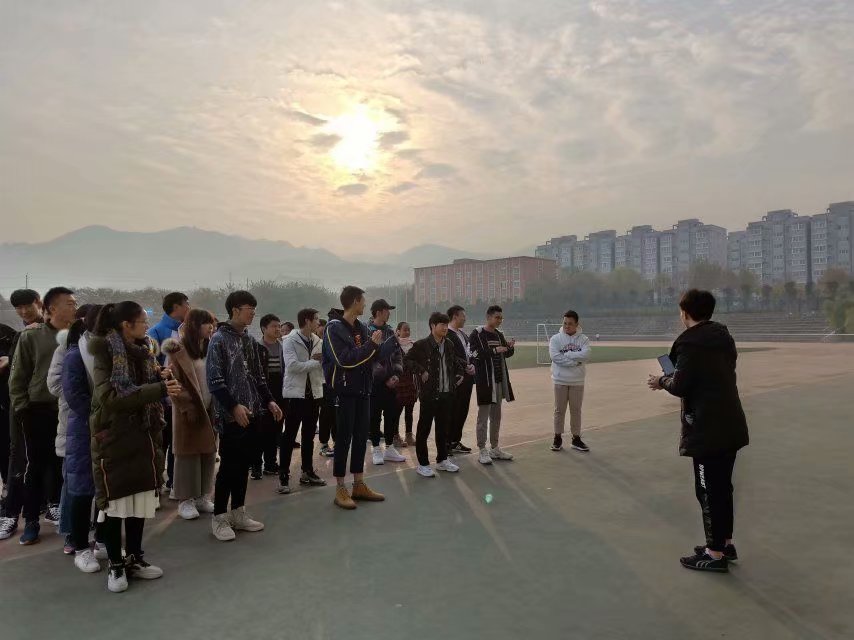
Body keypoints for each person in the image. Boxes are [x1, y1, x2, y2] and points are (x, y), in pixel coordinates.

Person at [647, 289, 749, 573]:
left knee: (707, 490)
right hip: (730, 422)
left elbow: (681, 385)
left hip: (707, 429)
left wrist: (662, 380)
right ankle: (724, 543)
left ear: (685, 313)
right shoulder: (723, 337)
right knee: (723, 487)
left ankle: (714, 554)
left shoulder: (689, 343)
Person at [89, 301, 180, 592]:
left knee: (139, 502)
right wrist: (159, 389)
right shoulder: (105, 351)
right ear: (125, 325)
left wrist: (159, 376)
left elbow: (143, 384)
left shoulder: (146, 351)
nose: (146, 326)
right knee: (115, 505)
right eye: (142, 321)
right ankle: (116, 565)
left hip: (144, 436)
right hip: (115, 439)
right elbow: (111, 398)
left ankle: (135, 558)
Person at [207, 291, 282, 541]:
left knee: (243, 465)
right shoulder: (218, 340)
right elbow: (215, 381)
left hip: (253, 414)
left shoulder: (249, 340)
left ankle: (238, 512)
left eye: (254, 308)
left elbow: (258, 376)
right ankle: (219, 517)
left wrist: (269, 400)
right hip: (231, 417)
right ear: (235, 310)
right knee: (228, 466)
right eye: (249, 308)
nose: (253, 312)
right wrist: (233, 407)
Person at [9, 286, 77, 545]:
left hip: (68, 409)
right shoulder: (32, 336)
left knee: (63, 464)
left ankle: (60, 510)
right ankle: (31, 521)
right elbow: (18, 378)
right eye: (69, 303)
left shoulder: (78, 335)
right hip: (38, 410)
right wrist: (22, 409)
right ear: (51, 308)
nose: (74, 307)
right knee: (35, 467)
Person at [321, 286, 395, 510]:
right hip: (344, 392)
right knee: (343, 439)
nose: (365, 304)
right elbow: (344, 360)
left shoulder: (361, 327)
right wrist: (372, 345)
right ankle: (340, 488)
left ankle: (359, 484)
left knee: (362, 437)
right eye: (363, 300)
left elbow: (369, 357)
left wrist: (388, 345)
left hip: (363, 390)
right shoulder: (333, 328)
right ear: (354, 301)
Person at [61, 306, 107, 573]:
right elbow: (75, 396)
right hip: (85, 430)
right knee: (82, 490)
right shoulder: (75, 354)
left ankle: (102, 540)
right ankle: (80, 547)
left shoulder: (110, 351)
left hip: (109, 429)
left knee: (106, 489)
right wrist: (100, 420)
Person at [161, 309, 218, 521]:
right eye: (206, 323)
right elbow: (172, 382)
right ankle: (185, 500)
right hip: (189, 411)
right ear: (194, 325)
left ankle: (203, 496)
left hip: (210, 408)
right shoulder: (178, 350)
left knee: (208, 453)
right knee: (187, 456)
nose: (210, 327)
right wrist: (188, 406)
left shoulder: (211, 347)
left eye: (211, 323)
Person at [47, 305, 93, 554]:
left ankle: (89, 531)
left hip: (92, 422)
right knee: (73, 482)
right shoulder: (66, 349)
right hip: (72, 422)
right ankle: (71, 534)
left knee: (89, 482)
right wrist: (77, 393)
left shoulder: (101, 348)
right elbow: (54, 384)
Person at [0, 289, 43, 541]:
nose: (24, 311)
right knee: (17, 460)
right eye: (19, 308)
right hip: (19, 407)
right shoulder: (19, 335)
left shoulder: (50, 332)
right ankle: (12, 512)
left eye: (28, 306)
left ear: (39, 303)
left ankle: (42, 510)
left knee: (40, 462)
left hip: (43, 407)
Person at [405, 312, 465, 477]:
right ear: (433, 326)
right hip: (429, 395)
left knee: (443, 429)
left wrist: (460, 373)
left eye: (446, 324)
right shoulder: (422, 345)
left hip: (447, 394)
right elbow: (407, 360)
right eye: (442, 325)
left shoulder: (449, 344)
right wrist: (421, 370)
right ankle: (423, 464)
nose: (445, 328)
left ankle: (442, 460)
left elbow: (455, 362)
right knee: (424, 429)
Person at [277, 308, 326, 494]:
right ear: (307, 321)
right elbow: (292, 366)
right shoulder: (289, 340)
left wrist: (322, 362)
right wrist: (316, 362)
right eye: (316, 319)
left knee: (308, 435)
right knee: (289, 436)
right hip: (295, 395)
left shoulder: (318, 341)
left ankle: (307, 472)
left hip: (313, 395)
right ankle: (283, 475)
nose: (318, 323)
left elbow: (323, 366)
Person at [148, 292, 191, 496]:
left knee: (178, 443)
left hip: (182, 398)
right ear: (176, 307)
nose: (189, 308)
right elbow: (151, 367)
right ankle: (155, 486)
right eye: (186, 304)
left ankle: (174, 482)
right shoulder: (156, 332)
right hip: (162, 399)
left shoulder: (187, 332)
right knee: (161, 444)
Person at [469, 305, 516, 465]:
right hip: (485, 382)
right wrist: (495, 351)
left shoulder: (499, 334)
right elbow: (474, 354)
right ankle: (482, 449)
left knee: (496, 416)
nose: (499, 320)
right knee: (483, 417)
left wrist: (509, 348)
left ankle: (494, 448)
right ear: (488, 317)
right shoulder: (477, 334)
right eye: (497, 317)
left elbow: (506, 354)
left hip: (499, 381)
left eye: (501, 318)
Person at [367, 299, 406, 465]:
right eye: (387, 310)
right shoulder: (367, 331)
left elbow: (397, 355)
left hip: (392, 383)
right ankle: (376, 449)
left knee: (391, 415)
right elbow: (369, 359)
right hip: (375, 383)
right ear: (378, 312)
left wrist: (396, 374)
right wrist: (383, 377)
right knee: (374, 417)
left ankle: (389, 448)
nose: (389, 313)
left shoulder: (390, 331)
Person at [549, 310, 591, 453]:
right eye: (565, 323)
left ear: (576, 324)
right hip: (560, 380)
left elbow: (586, 355)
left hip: (577, 381)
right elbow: (555, 357)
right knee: (559, 410)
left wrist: (568, 354)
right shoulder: (556, 339)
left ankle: (576, 438)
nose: (567, 326)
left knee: (576, 411)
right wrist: (575, 362)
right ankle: (557, 438)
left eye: (570, 324)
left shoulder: (583, 339)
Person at [254, 314, 285, 479]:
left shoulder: (283, 346)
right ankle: (256, 465)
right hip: (262, 393)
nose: (278, 329)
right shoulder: (256, 347)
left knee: (276, 429)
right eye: (274, 326)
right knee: (260, 430)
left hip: (280, 391)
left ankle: (271, 464)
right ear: (263, 328)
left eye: (279, 326)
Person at [445, 306, 476, 454]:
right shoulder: (447, 334)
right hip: (455, 379)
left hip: (467, 379)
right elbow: (450, 356)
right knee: (452, 411)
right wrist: (465, 365)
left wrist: (472, 364)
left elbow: (470, 353)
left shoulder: (463, 334)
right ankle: (446, 443)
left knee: (462, 410)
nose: (465, 318)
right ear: (455, 316)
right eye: (463, 315)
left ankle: (455, 441)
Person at [316, 313, 337, 458]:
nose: (323, 330)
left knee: (336, 414)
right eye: (320, 327)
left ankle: (337, 442)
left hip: (335, 383)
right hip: (322, 383)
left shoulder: (334, 342)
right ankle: (324, 443)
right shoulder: (315, 343)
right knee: (325, 414)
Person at [394, 322, 417, 448]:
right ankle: (395, 436)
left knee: (409, 410)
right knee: (397, 410)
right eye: (404, 330)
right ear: (398, 331)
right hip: (398, 382)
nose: (407, 332)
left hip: (410, 382)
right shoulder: (394, 345)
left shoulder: (413, 345)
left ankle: (409, 435)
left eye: (408, 330)